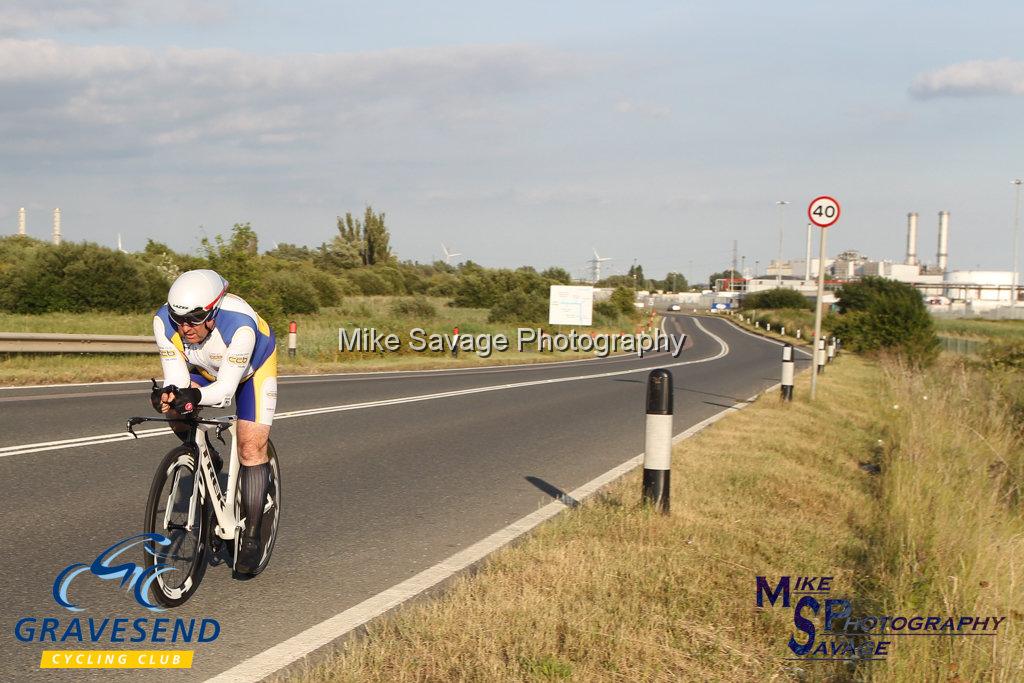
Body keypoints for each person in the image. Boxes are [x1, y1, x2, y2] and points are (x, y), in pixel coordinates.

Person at [150, 269, 278, 574]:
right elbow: (178, 379)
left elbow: (223, 393)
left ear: (214, 311)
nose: (184, 327)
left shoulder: (241, 328)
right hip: (202, 369)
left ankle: (251, 536)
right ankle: (204, 456)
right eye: (178, 319)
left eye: (194, 319)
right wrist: (171, 396)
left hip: (250, 372)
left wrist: (194, 397)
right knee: (174, 405)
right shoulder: (162, 322)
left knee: (250, 446)